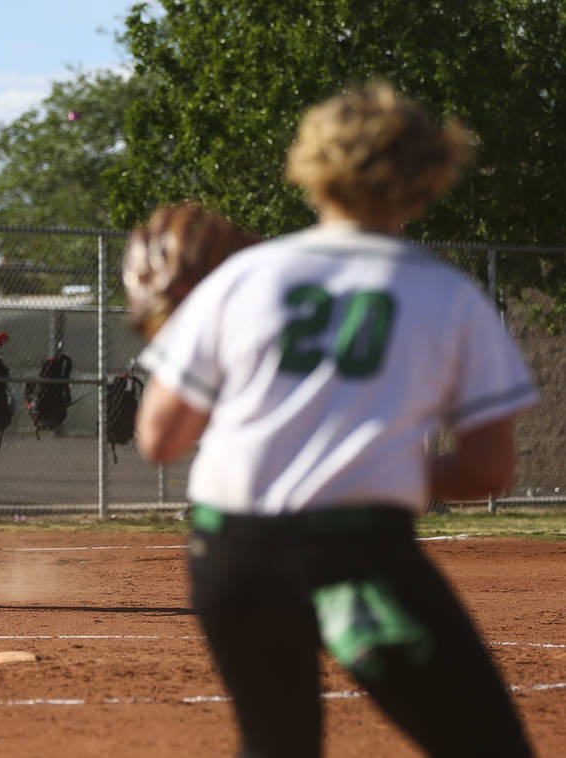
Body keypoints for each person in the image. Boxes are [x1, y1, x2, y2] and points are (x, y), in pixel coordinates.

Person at [135, 81, 537, 757]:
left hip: (229, 554)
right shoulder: (449, 295)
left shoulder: (244, 276)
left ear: (311, 165)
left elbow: (159, 438)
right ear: (430, 172)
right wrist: (374, 465)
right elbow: (488, 468)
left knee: (277, 746)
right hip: (357, 555)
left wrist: (168, 324)